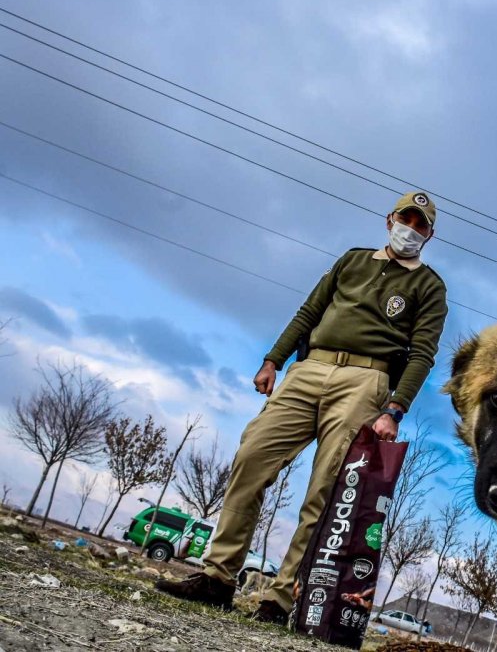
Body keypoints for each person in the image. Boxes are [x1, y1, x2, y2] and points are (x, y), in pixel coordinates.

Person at [155, 191, 448, 624]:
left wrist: (394, 408)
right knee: (252, 455)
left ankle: (280, 599)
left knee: (325, 490)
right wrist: (273, 358)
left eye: (420, 224)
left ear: (429, 235)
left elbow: (423, 353)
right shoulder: (351, 260)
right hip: (310, 367)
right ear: (389, 220)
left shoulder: (429, 286)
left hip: (366, 381)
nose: (411, 228)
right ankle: (218, 577)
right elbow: (310, 311)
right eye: (406, 218)